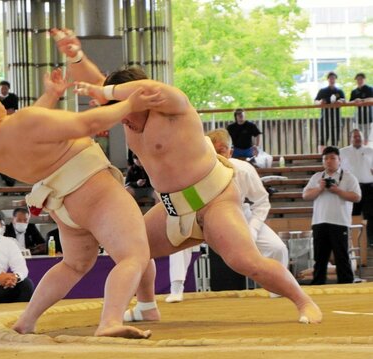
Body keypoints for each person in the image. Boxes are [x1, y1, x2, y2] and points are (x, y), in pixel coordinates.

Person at [53, 28, 322, 324]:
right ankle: (146, 307)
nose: (123, 117)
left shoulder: (173, 106)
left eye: (123, 104)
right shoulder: (125, 112)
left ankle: (304, 301)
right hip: (172, 208)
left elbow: (129, 90)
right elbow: (96, 82)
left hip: (214, 201)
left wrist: (106, 92)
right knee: (133, 250)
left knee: (245, 261)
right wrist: (76, 55)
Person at [0, 69, 164, 338]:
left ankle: (27, 321)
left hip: (62, 204)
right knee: (133, 256)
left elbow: (30, 132)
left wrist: (51, 95)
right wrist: (130, 104)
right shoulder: (21, 122)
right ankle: (110, 322)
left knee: (74, 265)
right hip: (93, 190)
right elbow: (86, 125)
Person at [166, 129, 289, 302]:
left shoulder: (244, 170)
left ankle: (278, 287)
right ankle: (176, 288)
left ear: (230, 152)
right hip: (201, 219)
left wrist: (252, 230)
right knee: (180, 240)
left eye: (222, 150)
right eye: (212, 150)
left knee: (277, 248)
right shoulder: (192, 171)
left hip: (238, 217)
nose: (217, 155)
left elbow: (262, 201)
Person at [302, 146, 361, 285]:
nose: (329, 161)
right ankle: (318, 285)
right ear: (323, 161)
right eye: (325, 158)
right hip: (319, 222)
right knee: (320, 258)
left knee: (342, 257)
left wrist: (337, 191)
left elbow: (357, 197)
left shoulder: (348, 177)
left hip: (340, 222)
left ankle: (347, 285)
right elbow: (305, 195)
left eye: (332, 158)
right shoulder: (317, 177)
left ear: (339, 160)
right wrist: (320, 188)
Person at [339, 129, 373, 247]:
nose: (357, 138)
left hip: (369, 188)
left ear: (363, 139)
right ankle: (352, 240)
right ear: (350, 138)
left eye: (359, 136)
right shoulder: (342, 152)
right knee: (353, 214)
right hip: (351, 188)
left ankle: (371, 241)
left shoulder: (370, 151)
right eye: (355, 136)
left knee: (370, 214)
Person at [315, 71, 345, 152]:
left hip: (336, 119)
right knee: (322, 140)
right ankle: (321, 157)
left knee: (335, 140)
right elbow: (316, 101)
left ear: (335, 79)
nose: (332, 79)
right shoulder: (322, 91)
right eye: (330, 78)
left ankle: (334, 156)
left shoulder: (339, 91)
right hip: (325, 119)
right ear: (328, 79)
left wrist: (341, 101)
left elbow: (344, 100)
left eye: (334, 78)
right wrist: (320, 102)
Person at [349, 73, 373, 145]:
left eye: (361, 79)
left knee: (366, 137)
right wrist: (355, 101)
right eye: (358, 79)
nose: (359, 80)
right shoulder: (354, 91)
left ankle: (365, 150)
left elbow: (372, 99)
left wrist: (362, 100)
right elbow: (350, 102)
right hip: (357, 118)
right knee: (357, 135)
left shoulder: (369, 89)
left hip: (368, 117)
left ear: (364, 79)